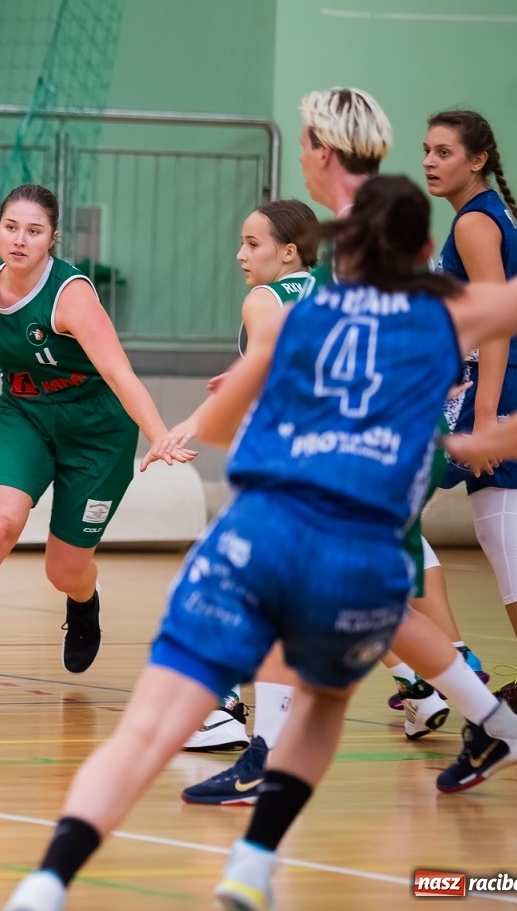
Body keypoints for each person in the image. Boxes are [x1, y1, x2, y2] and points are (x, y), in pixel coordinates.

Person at [3, 175, 517, 911]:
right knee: (324, 702)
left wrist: (246, 401)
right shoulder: (444, 317)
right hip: (359, 549)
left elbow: (222, 426)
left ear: (339, 250)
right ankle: (255, 858)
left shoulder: (293, 319)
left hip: (263, 532)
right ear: (427, 249)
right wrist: (469, 441)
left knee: (145, 731)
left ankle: (48, 881)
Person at [177, 88, 492, 807]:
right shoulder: (360, 228)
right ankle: (492, 721)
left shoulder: (363, 232)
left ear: (322, 149)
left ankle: (260, 753)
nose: (300, 154)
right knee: (375, 607)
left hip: (366, 452)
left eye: (303, 142)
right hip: (362, 448)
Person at [0, 184, 195, 696]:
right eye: (11, 228)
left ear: (52, 238)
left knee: (64, 570)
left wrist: (158, 434)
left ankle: (84, 600)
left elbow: (118, 372)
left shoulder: (71, 295)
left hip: (97, 430)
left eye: (33, 231)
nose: (20, 239)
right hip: (26, 416)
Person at [425, 109, 517, 721]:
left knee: (385, 517)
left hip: (486, 394)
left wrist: (485, 420)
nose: (429, 162)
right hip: (509, 388)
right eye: (426, 150)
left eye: (444, 152)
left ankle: (450, 658)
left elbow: (499, 323)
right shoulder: (488, 215)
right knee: (500, 533)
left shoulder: (474, 224)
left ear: (477, 160)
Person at [184, 200, 318, 754]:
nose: (241, 254)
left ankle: (226, 714)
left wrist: (203, 417)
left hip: (282, 467)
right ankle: (427, 686)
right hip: (337, 465)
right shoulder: (335, 293)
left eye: (253, 243)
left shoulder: (263, 299)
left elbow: (271, 366)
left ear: (288, 252)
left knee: (220, 580)